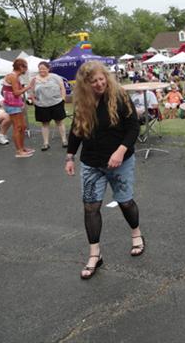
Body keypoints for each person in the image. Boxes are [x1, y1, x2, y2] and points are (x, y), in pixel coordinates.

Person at [64, 61, 144, 280]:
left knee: (124, 201)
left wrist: (120, 151)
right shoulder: (83, 102)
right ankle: (95, 254)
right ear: (85, 84)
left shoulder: (119, 96)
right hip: (91, 163)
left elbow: (133, 127)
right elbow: (76, 130)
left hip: (121, 161)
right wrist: (70, 155)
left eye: (102, 79)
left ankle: (136, 233)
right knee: (90, 207)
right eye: (94, 82)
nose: (99, 84)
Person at [30, 61, 68, 150]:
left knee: (59, 122)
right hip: (41, 105)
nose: (42, 70)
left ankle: (64, 140)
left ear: (48, 69)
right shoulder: (34, 79)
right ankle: (46, 143)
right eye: (40, 69)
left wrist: (63, 99)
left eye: (44, 68)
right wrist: (34, 101)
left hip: (56, 103)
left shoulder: (55, 77)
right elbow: (31, 91)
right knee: (45, 124)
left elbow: (62, 88)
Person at [2, 58, 34, 158]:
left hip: (16, 104)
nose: (27, 70)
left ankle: (22, 148)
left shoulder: (16, 76)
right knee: (18, 127)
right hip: (12, 105)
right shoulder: (13, 76)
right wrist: (28, 87)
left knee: (23, 126)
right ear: (21, 67)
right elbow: (16, 93)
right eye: (26, 67)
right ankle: (19, 151)